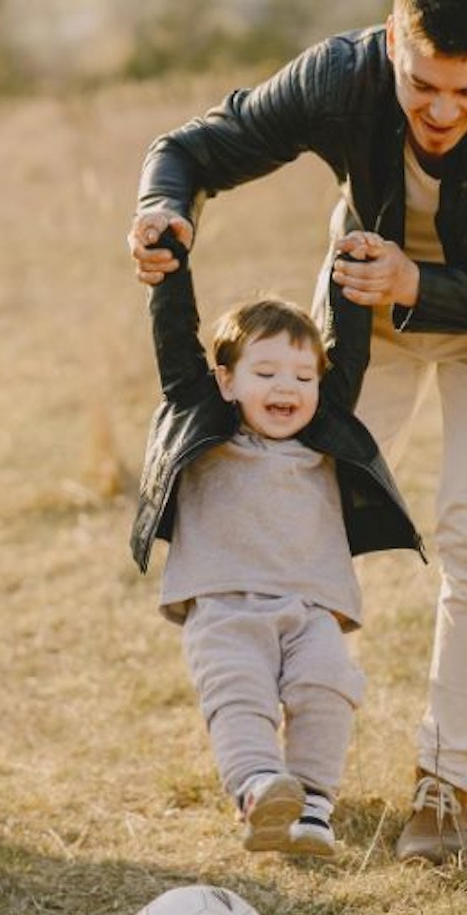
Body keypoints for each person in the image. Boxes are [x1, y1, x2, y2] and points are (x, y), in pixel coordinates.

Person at [127, 0, 467, 863]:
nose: (443, 110)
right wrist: (165, 209)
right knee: (300, 508)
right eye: (422, 84)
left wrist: (418, 279)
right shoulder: (340, 76)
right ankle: (274, 767)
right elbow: (191, 148)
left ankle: (445, 781)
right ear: (390, 42)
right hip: (359, 326)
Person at [131, 231, 422, 857]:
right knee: (240, 693)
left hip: (312, 603)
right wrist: (167, 265)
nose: (285, 388)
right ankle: (261, 791)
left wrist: (356, 260)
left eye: (301, 375)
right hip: (223, 604)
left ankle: (313, 806)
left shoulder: (325, 431)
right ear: (227, 381)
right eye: (264, 373)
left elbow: (349, 342)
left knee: (326, 688)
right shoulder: (202, 418)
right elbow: (176, 340)